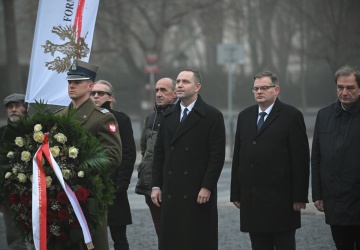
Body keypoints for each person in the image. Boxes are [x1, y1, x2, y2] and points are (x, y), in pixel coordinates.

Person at [230, 71, 310, 250]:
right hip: (253, 200)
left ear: (276, 89)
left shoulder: (291, 116)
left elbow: (301, 160)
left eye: (264, 88)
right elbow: (238, 156)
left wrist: (299, 196)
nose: (259, 91)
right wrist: (235, 192)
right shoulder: (245, 116)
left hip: (281, 199)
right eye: (256, 88)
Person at [151, 68, 226, 250]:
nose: (180, 85)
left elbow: (216, 156)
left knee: (197, 241)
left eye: (185, 82)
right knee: (173, 241)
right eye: (178, 82)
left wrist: (207, 186)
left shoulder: (212, 116)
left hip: (198, 191)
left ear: (197, 86)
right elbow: (159, 153)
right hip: (172, 190)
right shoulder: (168, 115)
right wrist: (156, 186)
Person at [55, 60, 122, 250]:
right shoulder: (59, 116)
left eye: (77, 82)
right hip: (59, 195)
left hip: (88, 195)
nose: (72, 85)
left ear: (90, 86)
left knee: (91, 244)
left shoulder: (102, 117)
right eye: (69, 82)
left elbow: (113, 157)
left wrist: (77, 166)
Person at [311, 65, 360, 250]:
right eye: (340, 87)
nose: (344, 92)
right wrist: (317, 194)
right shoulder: (324, 115)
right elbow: (316, 158)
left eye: (350, 87)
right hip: (335, 201)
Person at [90, 79, 136, 250]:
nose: (96, 96)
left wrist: (122, 183)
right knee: (90, 237)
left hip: (114, 185)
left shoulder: (121, 119)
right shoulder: (84, 119)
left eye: (100, 93)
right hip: (89, 184)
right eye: (93, 93)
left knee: (119, 236)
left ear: (110, 97)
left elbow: (128, 153)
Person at [135, 77, 177, 243]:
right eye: (157, 90)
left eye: (163, 90)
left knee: (175, 232)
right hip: (150, 183)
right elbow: (145, 149)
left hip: (172, 184)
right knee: (161, 233)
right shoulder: (150, 118)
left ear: (174, 94)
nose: (159, 94)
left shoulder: (180, 116)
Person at [0, 93, 29, 250]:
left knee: (39, 235)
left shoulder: (35, 131)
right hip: (9, 193)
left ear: (25, 108)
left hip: (35, 192)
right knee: (15, 238)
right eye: (10, 107)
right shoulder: (2, 133)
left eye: (17, 106)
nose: (13, 110)